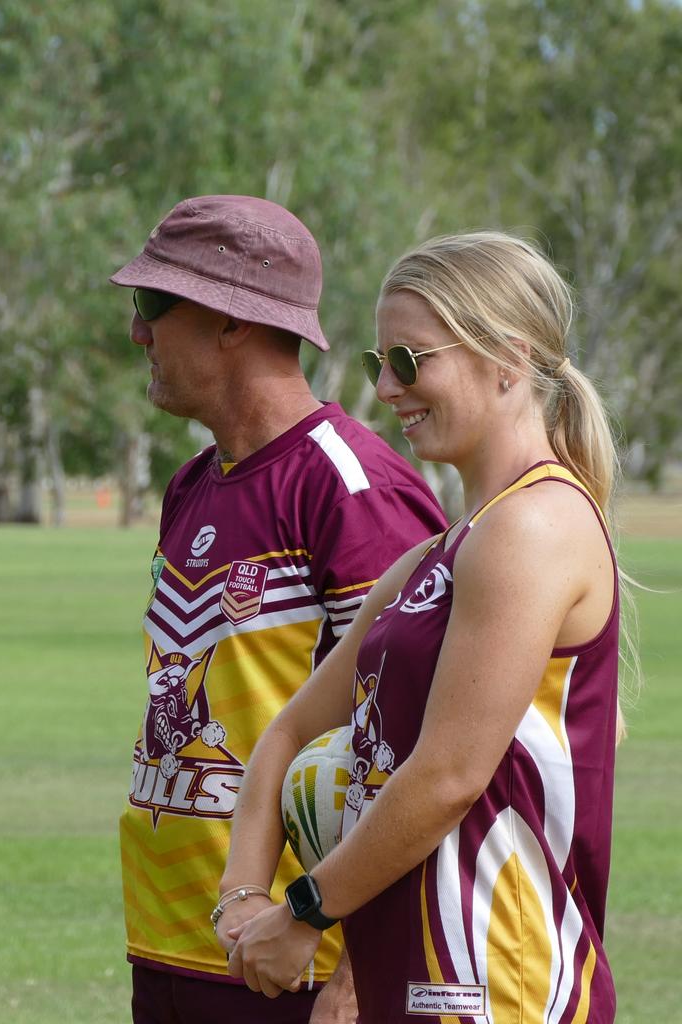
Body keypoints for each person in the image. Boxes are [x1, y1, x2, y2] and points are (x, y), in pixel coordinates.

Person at [222, 231, 624, 1023]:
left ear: (508, 357)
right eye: (379, 366)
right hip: (413, 986)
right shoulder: (434, 558)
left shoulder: (534, 528)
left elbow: (448, 777)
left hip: (502, 987)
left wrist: (302, 911)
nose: (387, 391)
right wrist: (241, 900)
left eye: (409, 362)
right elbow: (288, 732)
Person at [108, 194, 447, 1024]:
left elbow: (416, 740)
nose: (136, 333)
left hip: (295, 963)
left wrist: (360, 973)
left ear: (233, 321)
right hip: (175, 944)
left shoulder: (352, 489)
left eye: (153, 306)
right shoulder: (192, 483)